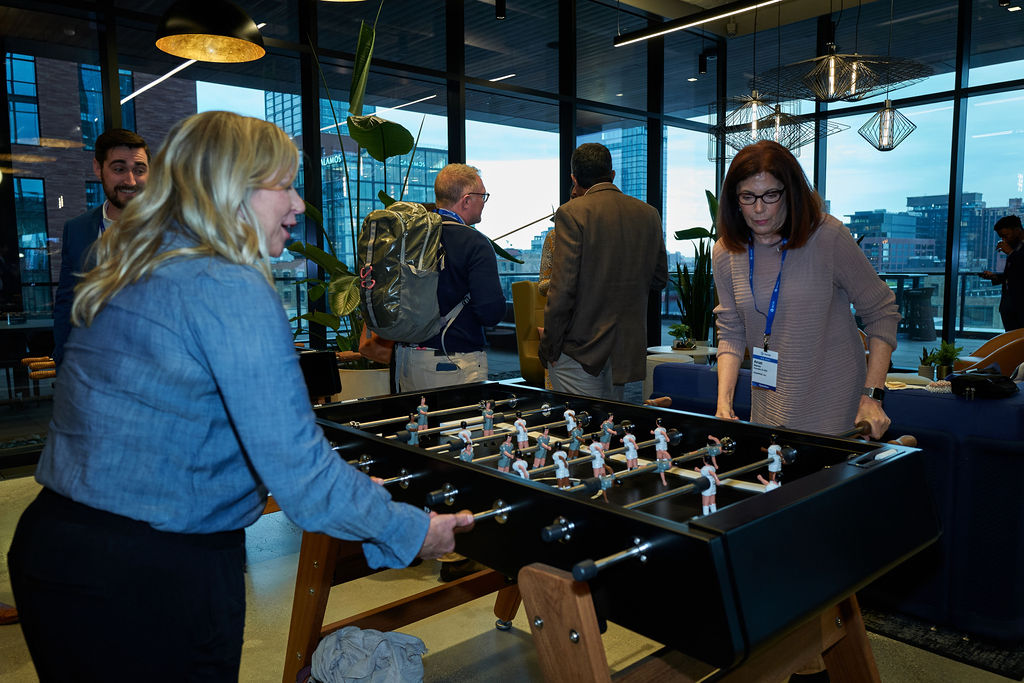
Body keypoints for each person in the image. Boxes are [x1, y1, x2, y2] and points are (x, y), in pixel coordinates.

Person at [6, 111, 474, 682]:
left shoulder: (135, 264)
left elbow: (185, 425)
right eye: (284, 186)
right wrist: (415, 530)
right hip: (150, 575)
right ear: (231, 192)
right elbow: (299, 472)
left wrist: (348, 489)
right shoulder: (227, 283)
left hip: (59, 550)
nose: (299, 205)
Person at [713, 141, 899, 440]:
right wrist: (724, 404)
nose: (759, 208)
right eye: (748, 197)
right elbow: (731, 331)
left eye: (770, 195)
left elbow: (882, 313)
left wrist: (872, 396)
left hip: (836, 411)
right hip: (767, 410)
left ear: (791, 193)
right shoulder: (726, 252)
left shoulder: (828, 236)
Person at [539, 142, 668, 401]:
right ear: (612, 175)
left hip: (580, 349)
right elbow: (659, 278)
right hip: (625, 351)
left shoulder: (571, 213)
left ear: (574, 178)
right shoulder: (648, 214)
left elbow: (562, 289)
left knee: (579, 433)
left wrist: (549, 347)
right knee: (612, 433)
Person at [395, 164, 505, 392]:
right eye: (482, 196)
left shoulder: (410, 237)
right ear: (466, 200)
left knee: (420, 427)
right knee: (462, 427)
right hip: (453, 364)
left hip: (405, 360)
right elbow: (490, 312)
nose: (484, 202)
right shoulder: (475, 243)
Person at [53, 128, 150, 367]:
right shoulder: (76, 229)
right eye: (119, 169)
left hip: (153, 369)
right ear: (98, 168)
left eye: (139, 170)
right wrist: (64, 361)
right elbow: (67, 301)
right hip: (93, 366)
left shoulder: (171, 228)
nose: (130, 181)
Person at [980, 215, 1024, 331]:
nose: (1004, 240)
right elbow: (1015, 275)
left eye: (1006, 236)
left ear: (1017, 230)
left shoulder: (1013, 251)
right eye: (1001, 237)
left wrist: (1010, 252)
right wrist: (994, 276)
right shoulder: (1015, 248)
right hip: (1009, 306)